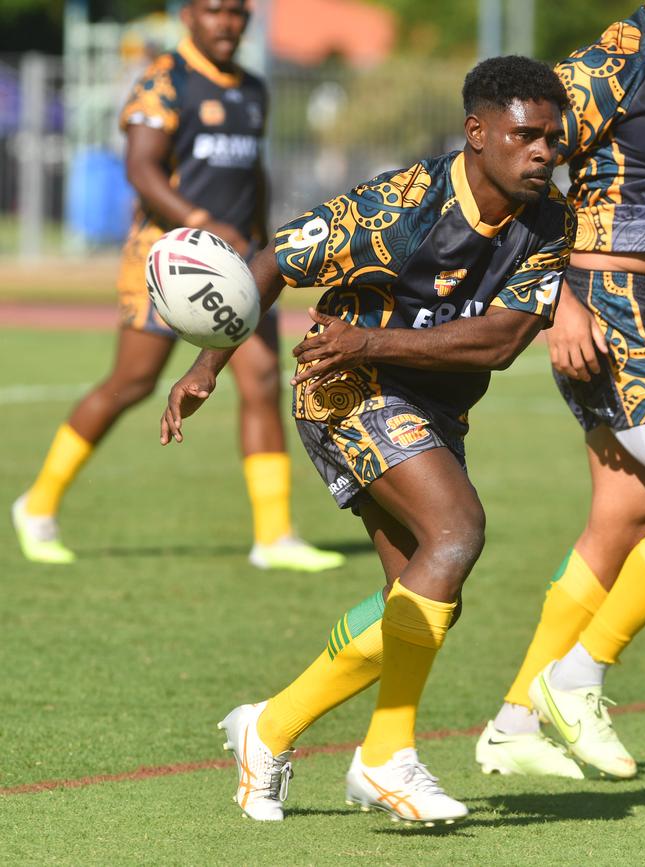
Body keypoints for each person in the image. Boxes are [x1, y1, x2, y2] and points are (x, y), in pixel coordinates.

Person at [160, 55, 574, 823]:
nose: (545, 151)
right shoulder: (395, 207)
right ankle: (387, 758)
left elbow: (501, 340)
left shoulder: (551, 220)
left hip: (417, 391)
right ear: (477, 133)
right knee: (456, 532)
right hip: (342, 386)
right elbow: (275, 260)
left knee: (418, 595)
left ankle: (269, 727)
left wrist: (372, 343)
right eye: (527, 136)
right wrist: (207, 364)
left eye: (554, 136)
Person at [11, 0, 344, 574]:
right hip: (165, 265)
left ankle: (274, 536)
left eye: (238, 13)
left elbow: (252, 173)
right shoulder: (164, 81)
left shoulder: (253, 88)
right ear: (189, 15)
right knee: (133, 382)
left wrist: (263, 245)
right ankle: (36, 505)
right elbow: (140, 169)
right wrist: (199, 219)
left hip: (240, 268)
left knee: (262, 380)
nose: (228, 23)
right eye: (215, 11)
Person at [477, 5, 645, 782]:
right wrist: (559, 300)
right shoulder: (624, 54)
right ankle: (578, 674)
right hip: (613, 307)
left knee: (622, 519)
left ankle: (515, 721)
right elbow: (514, 169)